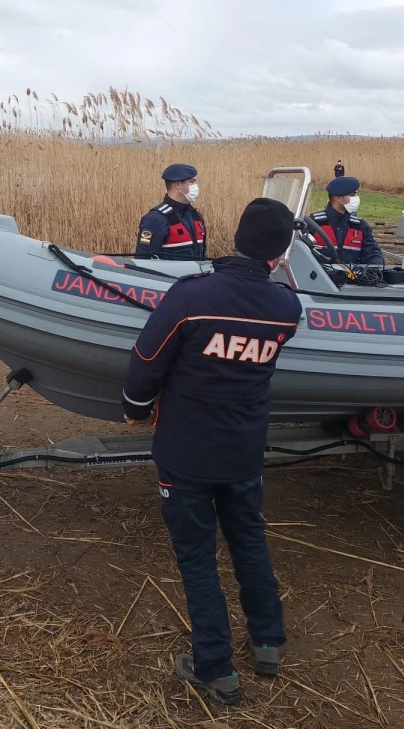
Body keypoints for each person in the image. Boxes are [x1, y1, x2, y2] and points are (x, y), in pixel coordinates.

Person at [123, 198, 302, 705]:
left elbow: (147, 359)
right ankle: (267, 641)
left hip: (188, 452)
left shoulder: (193, 296)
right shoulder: (286, 308)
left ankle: (215, 667)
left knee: (197, 556)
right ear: (280, 250)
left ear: (237, 235)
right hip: (244, 451)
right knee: (249, 540)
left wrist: (134, 408)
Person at [309, 176, 384, 284]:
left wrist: (376, 268)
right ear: (337, 198)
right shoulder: (313, 223)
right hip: (317, 283)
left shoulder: (361, 226)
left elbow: (372, 254)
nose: (357, 198)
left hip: (352, 285)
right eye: (352, 195)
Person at [135, 163, 207, 260]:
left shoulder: (196, 216)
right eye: (192, 182)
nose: (195, 186)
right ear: (178, 185)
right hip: (169, 275)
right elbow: (144, 260)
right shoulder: (156, 219)